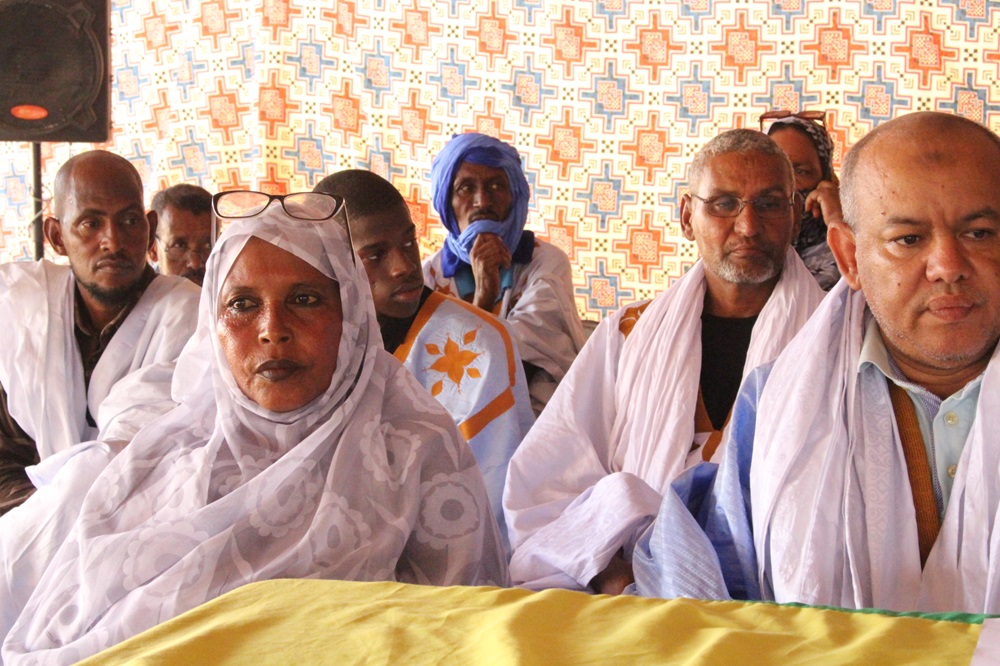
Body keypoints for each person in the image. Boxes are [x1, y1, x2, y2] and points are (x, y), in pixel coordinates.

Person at [0, 191, 507, 664]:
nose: (272, 330)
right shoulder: (160, 460)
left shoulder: (414, 451)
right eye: (242, 304)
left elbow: (465, 634)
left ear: (350, 315)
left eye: (305, 299)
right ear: (213, 324)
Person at [634, 112, 1000, 614]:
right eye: (908, 239)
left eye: (980, 233)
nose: (948, 267)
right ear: (849, 258)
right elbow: (715, 589)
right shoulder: (777, 401)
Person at [504, 129, 825, 593]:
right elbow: (548, 479)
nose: (748, 226)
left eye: (770, 204)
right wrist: (609, 572)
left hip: (779, 596)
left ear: (795, 218)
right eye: (724, 204)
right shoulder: (629, 334)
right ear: (687, 217)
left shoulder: (832, 341)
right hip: (630, 595)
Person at [313, 170, 534, 552]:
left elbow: (491, 502)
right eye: (375, 255)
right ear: (331, 261)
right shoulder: (314, 337)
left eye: (408, 242)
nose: (403, 266)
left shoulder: (475, 346)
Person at [0, 151, 200, 515]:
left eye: (129, 221)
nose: (113, 241)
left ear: (150, 228)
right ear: (56, 236)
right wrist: (57, 520)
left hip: (151, 528)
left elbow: (183, 468)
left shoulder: (192, 317)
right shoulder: (23, 311)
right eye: (90, 223)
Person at [423, 133, 586, 415]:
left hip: (535, 422)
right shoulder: (429, 276)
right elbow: (435, 379)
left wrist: (482, 305)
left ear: (514, 197)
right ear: (446, 201)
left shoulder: (545, 263)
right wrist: (483, 299)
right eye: (465, 188)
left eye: (497, 186)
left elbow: (519, 366)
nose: (482, 201)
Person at [763, 110, 844, 289]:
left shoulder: (854, 245)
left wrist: (839, 222)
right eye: (775, 170)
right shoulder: (744, 236)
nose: (788, 184)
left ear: (825, 177)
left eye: (801, 172)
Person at [148, 183, 213, 286]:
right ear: (153, 249)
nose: (195, 263)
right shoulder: (136, 295)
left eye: (208, 245)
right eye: (180, 245)